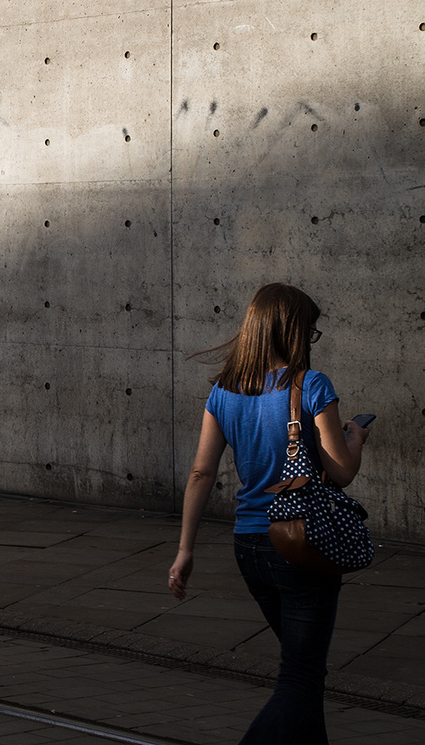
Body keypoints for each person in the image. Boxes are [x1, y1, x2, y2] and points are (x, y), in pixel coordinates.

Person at [167, 283, 370, 744]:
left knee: (305, 672)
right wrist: (354, 440)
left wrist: (185, 550)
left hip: (250, 546)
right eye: (310, 331)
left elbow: (201, 473)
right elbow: (340, 473)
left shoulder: (224, 390)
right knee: (299, 679)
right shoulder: (312, 385)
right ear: (292, 331)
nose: (311, 339)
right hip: (301, 542)